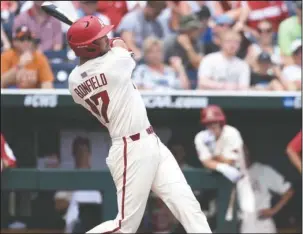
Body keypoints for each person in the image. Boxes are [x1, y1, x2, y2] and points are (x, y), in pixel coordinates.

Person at [66, 15, 212, 233]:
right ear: (89, 48)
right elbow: (120, 45)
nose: (106, 37)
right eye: (100, 37)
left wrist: (99, 40)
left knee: (189, 207)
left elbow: (108, 49)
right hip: (130, 149)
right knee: (124, 227)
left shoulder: (73, 81)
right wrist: (110, 43)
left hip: (150, 142)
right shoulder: (116, 64)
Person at [194, 105, 255, 232]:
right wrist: (222, 167)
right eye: (208, 123)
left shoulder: (232, 133)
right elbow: (206, 162)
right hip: (217, 177)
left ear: (221, 122)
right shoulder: (201, 137)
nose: (211, 126)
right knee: (213, 214)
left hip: (240, 177)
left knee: (247, 213)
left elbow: (230, 160)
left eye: (214, 123)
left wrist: (213, 151)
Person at [242, 146, 294, 233]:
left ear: (248, 153)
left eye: (243, 152)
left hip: (263, 227)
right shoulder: (236, 176)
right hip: (245, 227)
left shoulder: (263, 170)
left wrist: (273, 211)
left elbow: (289, 191)